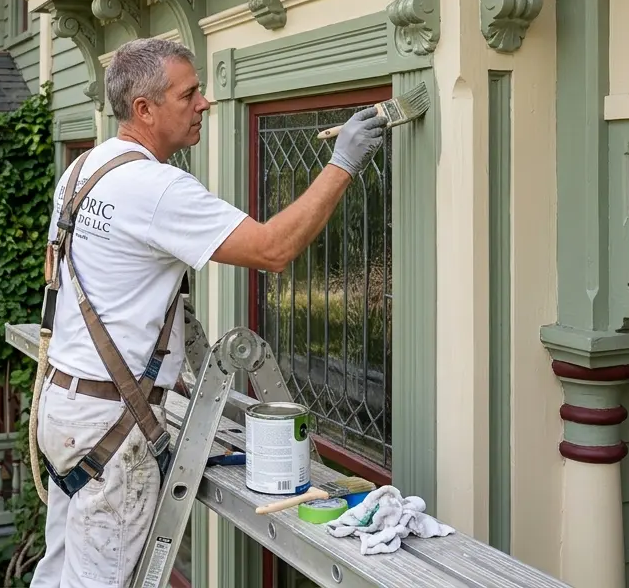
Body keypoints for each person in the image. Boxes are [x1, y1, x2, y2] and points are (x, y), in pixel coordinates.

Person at [31, 38, 388, 588]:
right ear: (145, 109)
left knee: (60, 570)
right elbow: (271, 249)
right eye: (189, 93)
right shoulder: (155, 188)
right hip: (111, 426)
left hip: (66, 408)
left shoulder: (84, 168)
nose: (204, 104)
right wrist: (343, 164)